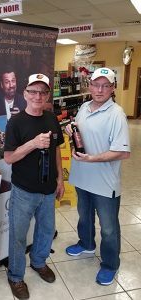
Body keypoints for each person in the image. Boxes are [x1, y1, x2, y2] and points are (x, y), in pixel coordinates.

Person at [65, 67, 130, 286]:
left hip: (104, 182)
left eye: (106, 86)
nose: (100, 89)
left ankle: (111, 264)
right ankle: (86, 243)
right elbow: (81, 131)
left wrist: (92, 159)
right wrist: (70, 129)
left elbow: (122, 152)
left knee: (109, 227)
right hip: (83, 178)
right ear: (89, 85)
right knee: (84, 217)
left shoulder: (116, 114)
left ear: (112, 88)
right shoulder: (84, 106)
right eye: (96, 84)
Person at [4, 73, 65, 299]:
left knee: (46, 231)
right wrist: (32, 143)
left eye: (42, 92)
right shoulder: (15, 122)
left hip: (48, 190)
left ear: (48, 95)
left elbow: (57, 149)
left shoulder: (51, 118)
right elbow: (9, 157)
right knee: (19, 236)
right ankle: (15, 277)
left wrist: (60, 179)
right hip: (24, 191)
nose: (38, 96)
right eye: (33, 91)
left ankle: (39, 262)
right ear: (25, 94)